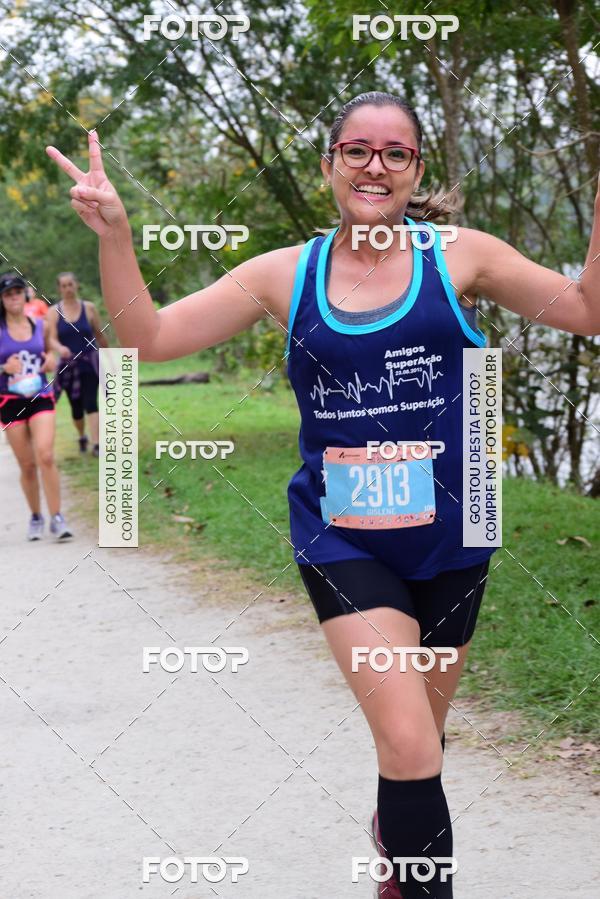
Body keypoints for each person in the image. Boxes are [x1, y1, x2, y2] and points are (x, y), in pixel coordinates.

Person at [47, 93, 599, 897]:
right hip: (346, 538)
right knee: (411, 745)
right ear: (329, 163)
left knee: (420, 744)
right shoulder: (285, 273)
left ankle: (394, 831)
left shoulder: (461, 257)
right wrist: (118, 237)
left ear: (415, 169)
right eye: (357, 150)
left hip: (454, 536)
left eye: (395, 153)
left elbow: (587, 310)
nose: (375, 166)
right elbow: (150, 339)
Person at [0, 272, 74, 541]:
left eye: (17, 292)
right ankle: (35, 516)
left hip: (41, 397)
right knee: (28, 466)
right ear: (2, 299)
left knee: (46, 455)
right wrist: (3, 368)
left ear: (25, 294)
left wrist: (50, 361)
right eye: (8, 294)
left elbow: (47, 352)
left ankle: (57, 517)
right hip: (9, 402)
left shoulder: (40, 325)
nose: (14, 298)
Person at [46, 271, 108, 456]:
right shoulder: (53, 312)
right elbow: (52, 339)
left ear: (76, 285)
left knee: (91, 401)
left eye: (70, 284)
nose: (68, 289)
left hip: (90, 361)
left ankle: (97, 444)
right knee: (76, 408)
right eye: (63, 286)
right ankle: (82, 435)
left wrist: (110, 357)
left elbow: (99, 334)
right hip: (68, 366)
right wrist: (60, 348)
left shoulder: (89, 308)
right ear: (59, 289)